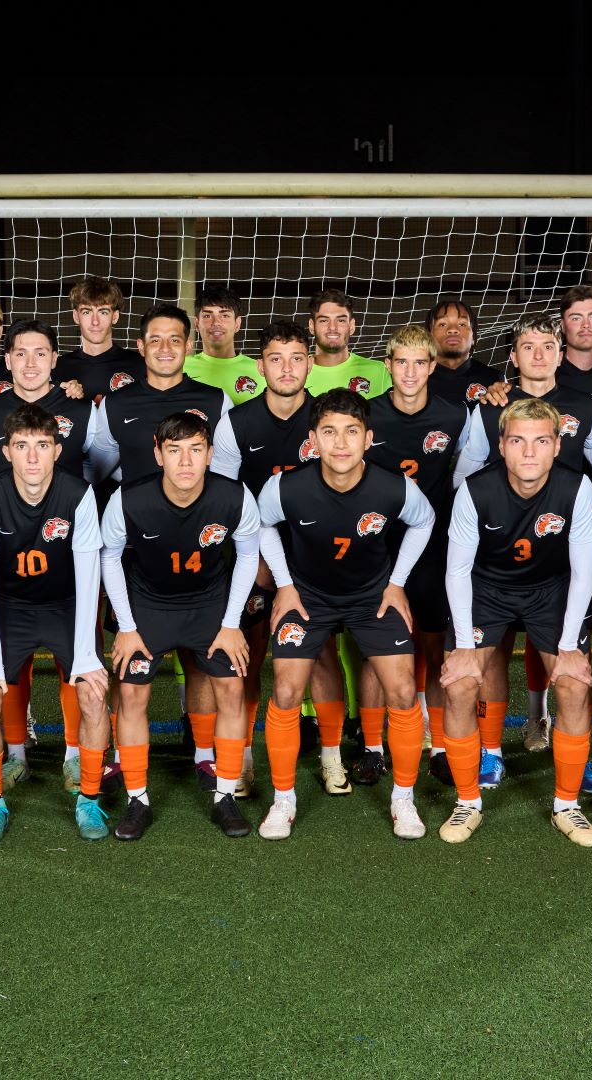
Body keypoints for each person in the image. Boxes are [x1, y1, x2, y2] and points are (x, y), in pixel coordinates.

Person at [255, 389, 435, 840]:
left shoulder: (394, 486)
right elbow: (259, 523)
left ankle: (403, 800)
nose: (340, 443)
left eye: (351, 432)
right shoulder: (284, 486)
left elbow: (425, 520)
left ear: (368, 438)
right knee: (286, 688)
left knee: (401, 688)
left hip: (372, 596)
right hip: (308, 598)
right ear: (312, 439)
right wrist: (284, 583)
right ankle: (283, 800)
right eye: (329, 432)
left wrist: (397, 583)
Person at [438, 398, 592, 846]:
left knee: (572, 684)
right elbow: (457, 571)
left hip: (551, 590)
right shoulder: (474, 490)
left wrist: (569, 647)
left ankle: (566, 807)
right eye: (517, 441)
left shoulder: (578, 487)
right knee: (458, 685)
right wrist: (465, 648)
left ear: (556, 447)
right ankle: (468, 800)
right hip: (486, 590)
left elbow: (585, 571)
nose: (529, 452)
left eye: (540, 441)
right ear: (502, 446)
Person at [452, 315, 592, 785]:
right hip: (494, 565)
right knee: (486, 662)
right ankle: (492, 753)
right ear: (513, 356)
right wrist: (491, 512)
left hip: (556, 560)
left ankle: (573, 758)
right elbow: (466, 472)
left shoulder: (586, 404)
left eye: (547, 345)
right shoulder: (489, 405)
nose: (538, 354)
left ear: (561, 353)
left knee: (571, 671)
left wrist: (582, 515)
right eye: (527, 345)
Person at [102, 413, 261, 839]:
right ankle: (137, 799)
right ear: (158, 454)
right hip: (148, 605)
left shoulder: (235, 497)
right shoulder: (128, 499)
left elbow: (248, 555)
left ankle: (225, 795)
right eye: (174, 450)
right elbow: (108, 556)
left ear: (210, 454)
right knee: (132, 693)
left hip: (209, 603)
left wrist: (231, 623)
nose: (185, 461)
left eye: (195, 449)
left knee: (230, 687)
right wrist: (128, 626)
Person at [0, 404, 113, 842]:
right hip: (9, 606)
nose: (32, 457)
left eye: (42, 446)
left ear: (57, 451)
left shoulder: (78, 494)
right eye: (22, 446)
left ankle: (89, 799)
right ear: (6, 452)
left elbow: (90, 577)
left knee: (91, 692)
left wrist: (86, 654)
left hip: (66, 603)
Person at [209, 320, 321, 796]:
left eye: (296, 357)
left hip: (314, 554)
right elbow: (224, 495)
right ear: (260, 366)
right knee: (248, 657)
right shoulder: (236, 422)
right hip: (252, 556)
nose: (287, 367)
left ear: (309, 363)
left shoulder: (326, 417)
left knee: (318, 657)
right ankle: (248, 758)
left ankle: (333, 751)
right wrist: (251, 556)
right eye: (276, 358)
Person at [359, 325, 470, 790]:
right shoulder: (367, 416)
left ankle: (440, 746)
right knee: (374, 650)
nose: (409, 371)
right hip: (377, 547)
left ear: (431, 366)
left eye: (418, 362)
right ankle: (371, 748)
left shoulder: (454, 414)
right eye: (400, 362)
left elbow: (464, 474)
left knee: (434, 644)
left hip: (433, 547)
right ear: (387, 366)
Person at [88, 304, 231, 486]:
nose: (165, 348)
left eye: (174, 340)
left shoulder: (217, 401)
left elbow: (228, 467)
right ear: (141, 346)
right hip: (137, 512)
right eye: (155, 340)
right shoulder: (116, 403)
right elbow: (96, 469)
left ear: (187, 346)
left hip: (201, 513)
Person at [0, 319, 97, 485]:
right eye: (21, 354)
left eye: (40, 354)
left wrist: (75, 494)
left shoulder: (83, 409)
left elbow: (99, 464)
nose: (30, 364)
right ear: (7, 360)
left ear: (54, 359)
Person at [54, 276, 146, 403]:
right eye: (87, 312)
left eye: (103, 312)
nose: (95, 321)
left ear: (115, 316)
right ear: (76, 316)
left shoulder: (140, 365)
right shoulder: (57, 368)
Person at [302, 289, 392, 399]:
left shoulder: (379, 371)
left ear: (352, 326)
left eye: (341, 320)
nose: (332, 327)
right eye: (324, 320)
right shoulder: (296, 374)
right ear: (311, 326)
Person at [185, 285, 264, 405]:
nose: (216, 322)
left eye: (225, 315)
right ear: (196, 324)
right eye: (207, 315)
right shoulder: (180, 368)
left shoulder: (261, 371)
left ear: (237, 324)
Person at [425, 299, 501, 406]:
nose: (452, 329)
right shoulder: (413, 378)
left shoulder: (495, 379)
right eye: (442, 324)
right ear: (429, 335)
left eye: (462, 324)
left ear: (474, 337)